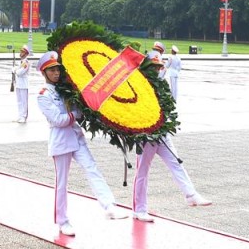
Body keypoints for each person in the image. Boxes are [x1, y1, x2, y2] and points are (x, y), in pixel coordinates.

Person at [36, 51, 129, 236]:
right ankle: (62, 221)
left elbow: (78, 109)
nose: (56, 73)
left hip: (76, 137)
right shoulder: (43, 95)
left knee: (92, 168)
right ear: (44, 73)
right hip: (61, 140)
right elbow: (57, 119)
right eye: (51, 70)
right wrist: (75, 114)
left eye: (57, 69)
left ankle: (109, 205)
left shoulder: (66, 89)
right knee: (62, 183)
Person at [131, 50, 211, 222]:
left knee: (176, 162)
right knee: (142, 172)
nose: (156, 70)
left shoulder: (162, 85)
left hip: (162, 134)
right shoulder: (140, 87)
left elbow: (168, 106)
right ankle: (139, 209)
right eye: (153, 67)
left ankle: (190, 194)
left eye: (158, 67)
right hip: (146, 136)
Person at [14, 44, 31, 123]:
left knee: (24, 102)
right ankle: (20, 115)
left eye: (23, 52)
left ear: (26, 54)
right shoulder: (20, 61)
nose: (21, 53)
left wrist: (14, 70)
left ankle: (24, 116)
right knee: (19, 101)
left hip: (24, 85)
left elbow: (20, 72)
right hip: (18, 84)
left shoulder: (26, 62)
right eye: (21, 51)